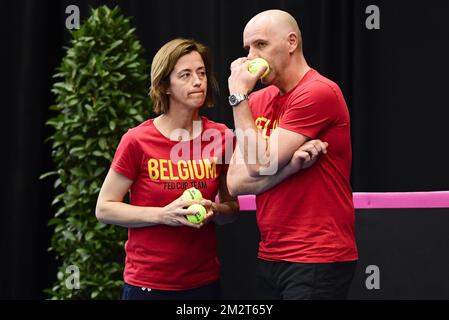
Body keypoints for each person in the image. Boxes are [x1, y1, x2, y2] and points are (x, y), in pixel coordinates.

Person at [226, 9, 358, 299]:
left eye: (260, 45)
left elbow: (259, 163)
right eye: (247, 48)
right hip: (271, 255)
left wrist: (237, 95)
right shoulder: (258, 100)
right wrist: (290, 167)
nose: (250, 58)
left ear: (291, 42)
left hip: (317, 257)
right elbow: (234, 183)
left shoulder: (317, 92)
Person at [95, 38, 241, 300]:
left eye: (201, 73)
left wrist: (215, 210)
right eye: (185, 75)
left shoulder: (222, 137)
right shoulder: (137, 140)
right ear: (165, 86)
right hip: (148, 285)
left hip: (203, 283)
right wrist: (163, 215)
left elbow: (231, 208)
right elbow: (104, 208)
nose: (198, 81)